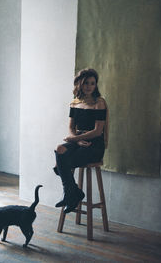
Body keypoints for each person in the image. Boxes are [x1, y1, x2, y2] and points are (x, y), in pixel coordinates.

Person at [53, 68, 108, 214]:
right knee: (60, 149)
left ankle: (71, 194)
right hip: (78, 141)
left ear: (96, 85)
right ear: (80, 85)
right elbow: (71, 127)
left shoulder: (99, 103)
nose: (89, 86)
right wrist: (76, 141)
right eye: (86, 83)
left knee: (62, 162)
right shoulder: (74, 103)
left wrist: (77, 139)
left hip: (94, 144)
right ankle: (72, 192)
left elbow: (97, 131)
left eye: (92, 83)